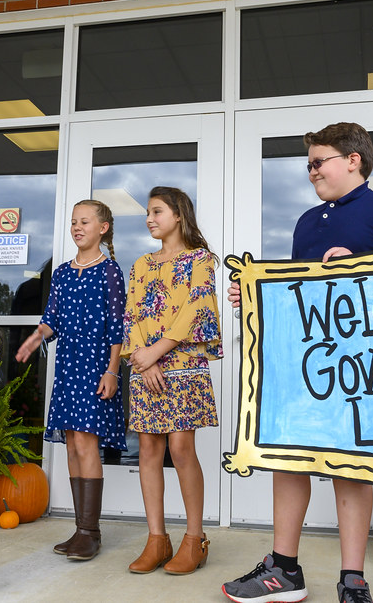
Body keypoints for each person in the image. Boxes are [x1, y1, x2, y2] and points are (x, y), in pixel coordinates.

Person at [222, 122, 373, 603]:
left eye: (319, 162)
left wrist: (363, 268)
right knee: (288, 459)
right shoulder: (306, 222)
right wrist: (256, 298)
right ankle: (284, 571)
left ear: (353, 159)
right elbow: (302, 296)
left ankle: (353, 579)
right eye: (308, 164)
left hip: (364, 365)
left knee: (350, 466)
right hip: (306, 363)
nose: (311, 171)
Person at [15, 199, 127, 562]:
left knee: (86, 443)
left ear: (103, 228)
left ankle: (91, 533)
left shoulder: (109, 271)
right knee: (71, 444)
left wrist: (112, 371)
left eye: (85, 221)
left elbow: (117, 327)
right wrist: (36, 338)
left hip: (96, 367)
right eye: (74, 222)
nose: (77, 227)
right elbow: (52, 319)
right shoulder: (62, 272)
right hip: (68, 368)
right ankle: (80, 528)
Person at [123, 186, 221, 576]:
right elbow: (130, 314)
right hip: (147, 366)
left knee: (180, 448)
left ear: (178, 214)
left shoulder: (201, 260)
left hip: (183, 362)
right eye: (148, 212)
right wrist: (142, 361)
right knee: (148, 448)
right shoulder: (141, 264)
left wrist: (157, 351)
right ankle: (156, 538)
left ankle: (194, 540)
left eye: (157, 211)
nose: (150, 218)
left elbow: (196, 309)